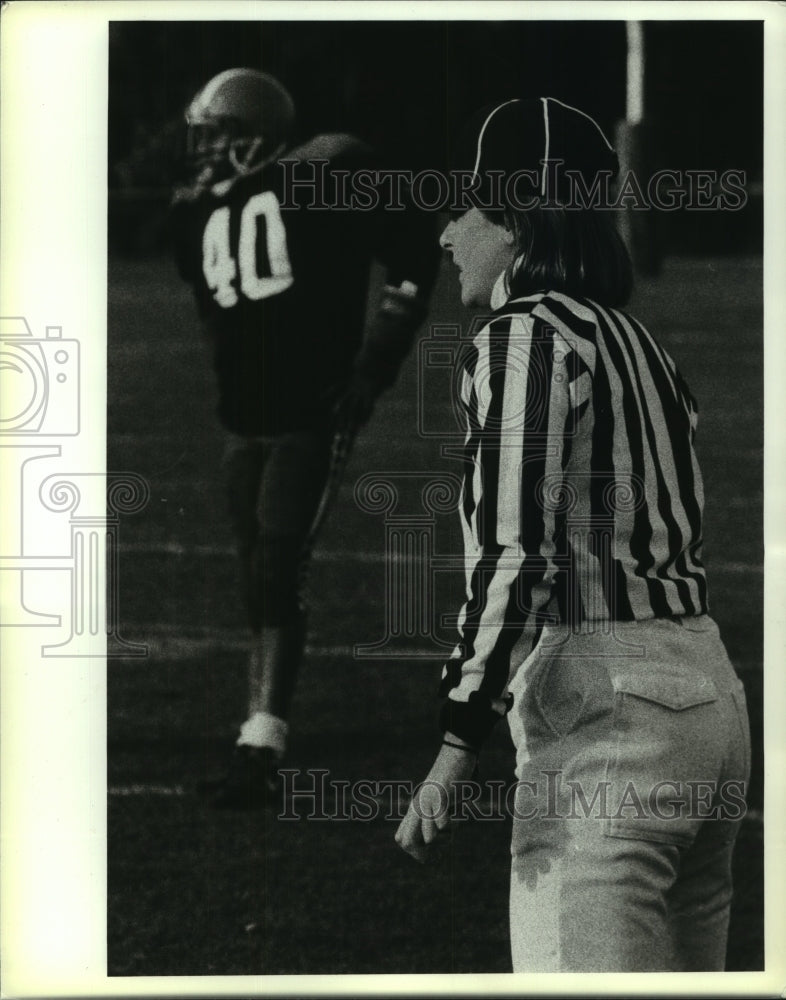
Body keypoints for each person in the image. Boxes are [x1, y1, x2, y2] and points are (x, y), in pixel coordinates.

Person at [395, 97, 751, 972]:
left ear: (515, 217)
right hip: (713, 702)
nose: (446, 234)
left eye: (463, 207)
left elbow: (517, 554)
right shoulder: (642, 344)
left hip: (609, 717)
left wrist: (453, 741)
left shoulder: (520, 342)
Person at [170, 68, 439, 808]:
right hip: (241, 423)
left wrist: (373, 365)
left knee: (278, 568)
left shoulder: (323, 175)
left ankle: (262, 741)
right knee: (256, 567)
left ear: (256, 134)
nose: (206, 151)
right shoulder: (201, 211)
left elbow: (414, 255)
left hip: (306, 416)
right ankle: (259, 719)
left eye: (218, 135)